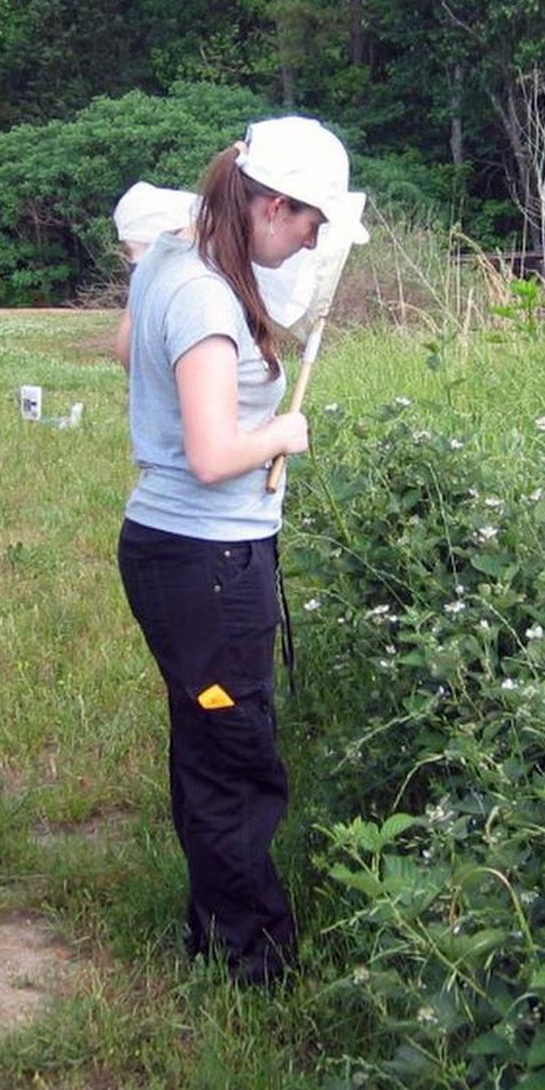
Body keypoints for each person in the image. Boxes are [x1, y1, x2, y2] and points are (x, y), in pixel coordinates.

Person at [115, 116, 366, 987]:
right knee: (236, 758)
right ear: (267, 203)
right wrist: (282, 430)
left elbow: (123, 351)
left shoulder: (172, 259)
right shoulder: (206, 297)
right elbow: (215, 453)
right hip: (207, 564)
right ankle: (249, 962)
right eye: (308, 221)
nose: (312, 239)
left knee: (209, 741)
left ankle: (214, 930)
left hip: (179, 552)